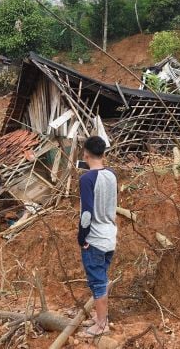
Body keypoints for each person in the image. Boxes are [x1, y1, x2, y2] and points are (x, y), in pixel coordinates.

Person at [78, 135, 117, 337]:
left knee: (98, 282)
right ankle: (101, 317)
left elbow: (86, 214)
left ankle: (101, 325)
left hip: (95, 239)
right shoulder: (111, 174)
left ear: (85, 153)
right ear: (103, 153)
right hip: (110, 236)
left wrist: (82, 238)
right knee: (102, 279)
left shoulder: (86, 179)